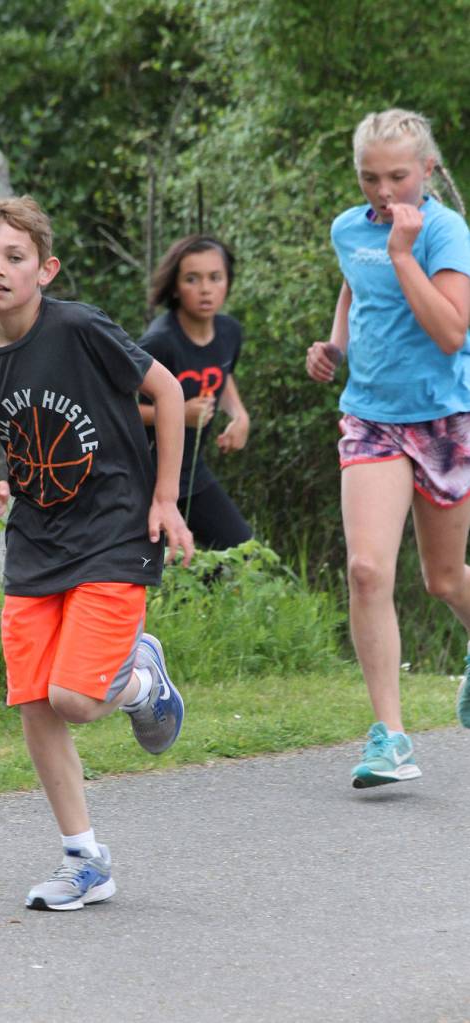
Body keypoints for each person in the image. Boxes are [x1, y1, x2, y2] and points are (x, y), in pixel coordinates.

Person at [0, 195, 194, 910]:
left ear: (44, 270)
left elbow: (167, 390)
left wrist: (165, 497)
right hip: (35, 545)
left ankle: (141, 679)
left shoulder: (79, 328)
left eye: (14, 256)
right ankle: (84, 858)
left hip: (114, 531)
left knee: (75, 699)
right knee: (34, 701)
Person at [305, 108, 470, 789]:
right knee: (367, 570)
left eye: (396, 176)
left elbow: (450, 332)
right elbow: (354, 286)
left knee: (443, 578)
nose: (382, 192)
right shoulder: (349, 227)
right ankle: (390, 737)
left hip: (439, 419)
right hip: (369, 416)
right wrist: (334, 344)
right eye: (369, 177)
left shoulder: (443, 230)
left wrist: (404, 253)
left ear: (425, 170)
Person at [138, 235, 252, 551]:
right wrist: (178, 413)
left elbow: (221, 371)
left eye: (215, 277)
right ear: (175, 286)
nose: (205, 289)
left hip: (192, 472)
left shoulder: (229, 332)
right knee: (153, 571)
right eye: (192, 279)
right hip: (143, 478)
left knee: (238, 552)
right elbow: (112, 408)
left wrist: (239, 415)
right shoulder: (158, 343)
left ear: (227, 281)